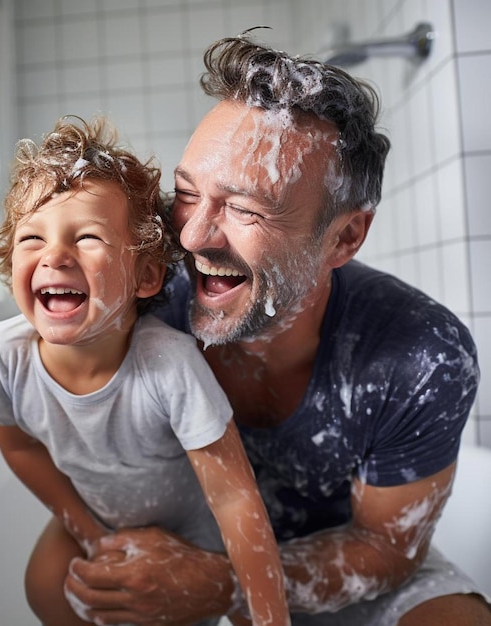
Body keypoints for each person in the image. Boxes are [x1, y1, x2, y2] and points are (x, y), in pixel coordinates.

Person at [62, 32, 491, 626]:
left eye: (244, 209)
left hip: (338, 546)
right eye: (187, 194)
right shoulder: (144, 295)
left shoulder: (420, 353)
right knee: (55, 579)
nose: (191, 238)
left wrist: (221, 587)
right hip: (187, 525)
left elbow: (387, 547)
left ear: (345, 237)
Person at [0, 116, 290, 626]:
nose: (54, 255)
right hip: (97, 514)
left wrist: (268, 617)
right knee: (46, 584)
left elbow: (235, 498)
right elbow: (19, 445)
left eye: (86, 238)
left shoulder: (168, 364)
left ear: (146, 275)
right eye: (31, 238)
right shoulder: (3, 356)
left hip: (193, 532)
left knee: (230, 604)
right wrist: (89, 532)